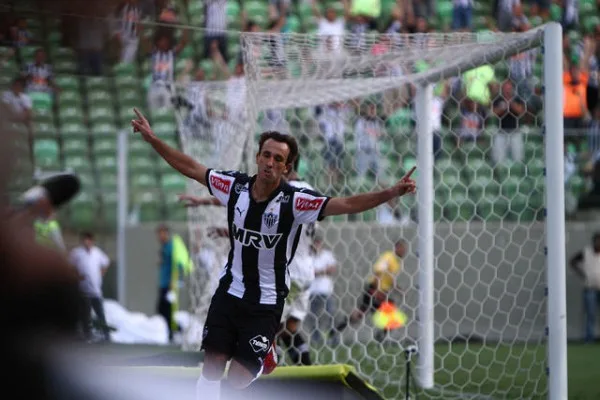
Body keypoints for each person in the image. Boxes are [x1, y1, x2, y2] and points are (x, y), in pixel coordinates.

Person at [130, 108, 416, 398]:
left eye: (278, 159)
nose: (269, 162)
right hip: (229, 292)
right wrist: (153, 139)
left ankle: (266, 352)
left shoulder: (296, 201)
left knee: (238, 379)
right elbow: (191, 167)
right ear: (257, 157)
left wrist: (390, 193)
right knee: (212, 367)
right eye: (266, 155)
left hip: (266, 301)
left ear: (287, 167)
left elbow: (347, 204)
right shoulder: (234, 186)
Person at [180, 156, 319, 366]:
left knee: (263, 324)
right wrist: (231, 231)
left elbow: (253, 202)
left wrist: (205, 201)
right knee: (289, 329)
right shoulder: (309, 193)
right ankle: (308, 371)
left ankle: (261, 363)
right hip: (307, 269)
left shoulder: (289, 192)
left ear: (286, 167)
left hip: (286, 270)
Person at [330, 240, 408, 343]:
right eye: (403, 249)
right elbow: (378, 272)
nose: (404, 251)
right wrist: (376, 290)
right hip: (374, 290)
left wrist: (398, 289)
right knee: (389, 314)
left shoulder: (397, 262)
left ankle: (336, 330)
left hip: (381, 291)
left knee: (360, 314)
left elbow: (389, 279)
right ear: (397, 248)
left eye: (405, 249)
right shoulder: (388, 257)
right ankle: (380, 338)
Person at [69, 232, 111, 342]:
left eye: (89, 240)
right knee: (85, 313)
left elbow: (106, 262)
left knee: (100, 312)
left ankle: (105, 334)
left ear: (92, 241)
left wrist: (102, 272)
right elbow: (69, 265)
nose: (87, 242)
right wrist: (76, 275)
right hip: (83, 289)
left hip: (96, 289)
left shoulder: (97, 252)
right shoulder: (76, 253)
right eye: (85, 240)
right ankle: (86, 334)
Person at [156, 224, 193, 343]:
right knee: (163, 309)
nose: (160, 236)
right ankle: (174, 331)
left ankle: (177, 331)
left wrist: (178, 281)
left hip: (170, 284)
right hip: (163, 282)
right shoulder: (164, 247)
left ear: (166, 233)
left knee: (165, 309)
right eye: (158, 234)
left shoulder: (172, 246)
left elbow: (180, 263)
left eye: (162, 233)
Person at [569, 233, 600, 343]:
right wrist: (581, 273)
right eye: (597, 241)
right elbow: (572, 261)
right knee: (590, 314)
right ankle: (589, 338)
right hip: (590, 288)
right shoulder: (586, 252)